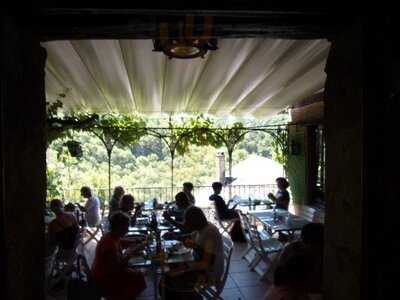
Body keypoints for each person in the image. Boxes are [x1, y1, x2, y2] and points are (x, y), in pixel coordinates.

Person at [162, 207, 224, 300]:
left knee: (169, 279)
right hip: (202, 266)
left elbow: (205, 263)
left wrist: (184, 267)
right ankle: (187, 296)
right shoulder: (202, 228)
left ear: (195, 221)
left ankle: (191, 296)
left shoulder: (209, 233)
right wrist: (175, 236)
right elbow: (190, 236)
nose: (187, 224)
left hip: (209, 273)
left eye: (188, 222)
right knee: (169, 272)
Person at [91, 212, 146, 300]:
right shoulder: (109, 243)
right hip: (103, 279)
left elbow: (122, 241)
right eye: (126, 227)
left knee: (135, 271)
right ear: (119, 227)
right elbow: (118, 266)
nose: (127, 230)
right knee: (138, 275)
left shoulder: (111, 236)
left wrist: (137, 239)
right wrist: (132, 251)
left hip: (105, 272)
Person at [277, 223, 324, 294]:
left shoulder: (290, 247)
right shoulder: (315, 254)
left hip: (283, 286)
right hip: (296, 290)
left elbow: (279, 267)